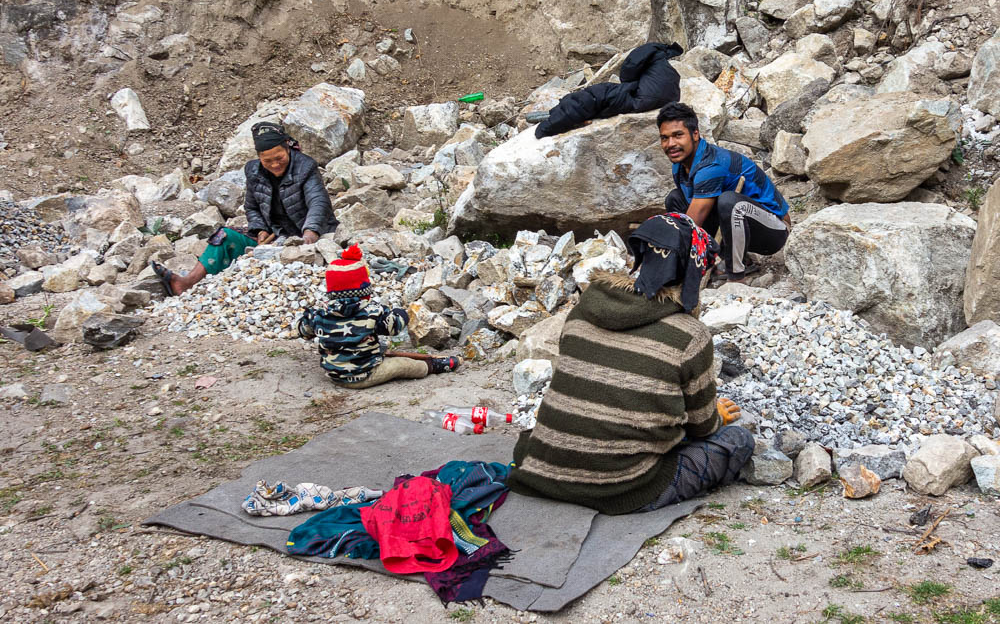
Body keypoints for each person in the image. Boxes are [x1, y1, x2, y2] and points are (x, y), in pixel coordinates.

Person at [508, 213, 754, 515]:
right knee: (738, 440)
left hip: (542, 468)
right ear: (693, 272)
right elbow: (702, 428)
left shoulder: (583, 311)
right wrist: (715, 417)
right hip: (624, 487)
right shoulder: (690, 336)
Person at [151, 122, 337, 295]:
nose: (274, 164)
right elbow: (252, 207)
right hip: (277, 235)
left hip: (312, 234)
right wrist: (261, 230)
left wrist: (310, 232)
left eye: (279, 158)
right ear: (259, 157)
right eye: (267, 160)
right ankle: (187, 282)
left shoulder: (305, 166)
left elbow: (318, 201)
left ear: (288, 148)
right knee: (223, 236)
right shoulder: (253, 171)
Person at [295, 244, 462, 389]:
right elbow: (394, 327)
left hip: (335, 376)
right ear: (364, 291)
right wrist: (401, 312)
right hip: (366, 374)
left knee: (383, 351)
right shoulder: (372, 313)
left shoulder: (319, 315)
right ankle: (433, 366)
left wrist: (308, 322)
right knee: (403, 365)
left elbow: (302, 330)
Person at [657, 102, 791, 281]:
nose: (670, 144)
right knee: (675, 199)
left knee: (729, 202)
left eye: (678, 135)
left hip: (774, 230)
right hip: (741, 227)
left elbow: (690, 224)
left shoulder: (711, 166)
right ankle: (717, 259)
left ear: (695, 134)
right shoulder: (680, 167)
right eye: (665, 138)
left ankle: (735, 274)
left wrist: (663, 257)